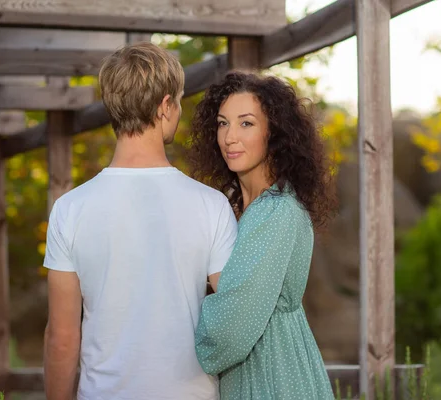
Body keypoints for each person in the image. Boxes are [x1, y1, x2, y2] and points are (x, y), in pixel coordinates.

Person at [42, 42, 238, 400]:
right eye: (177, 100)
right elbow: (233, 323)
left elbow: (63, 337)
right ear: (165, 106)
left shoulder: (69, 209)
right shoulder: (211, 205)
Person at [189, 71, 337, 399]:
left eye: (246, 123)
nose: (229, 137)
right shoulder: (237, 208)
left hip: (274, 375)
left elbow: (231, 328)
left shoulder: (276, 211)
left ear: (274, 132)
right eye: (222, 123)